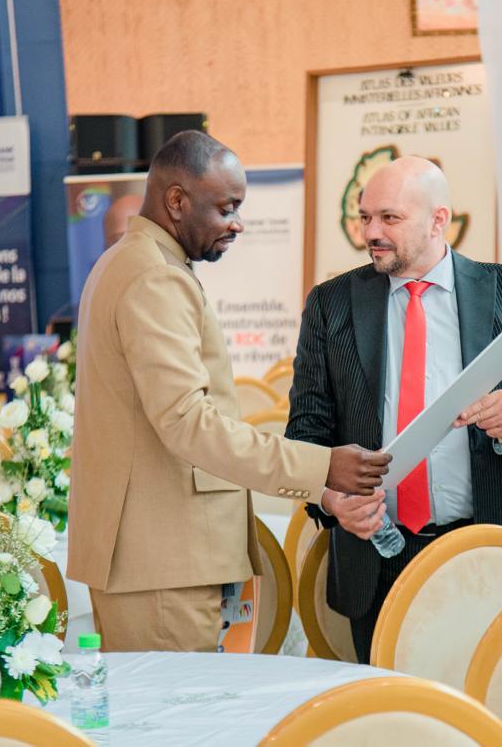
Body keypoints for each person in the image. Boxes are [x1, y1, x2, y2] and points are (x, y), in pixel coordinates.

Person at [68, 130, 389, 653]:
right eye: (226, 208)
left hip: (157, 560)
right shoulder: (153, 277)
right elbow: (188, 422)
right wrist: (321, 467)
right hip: (163, 565)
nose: (237, 223)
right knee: (177, 707)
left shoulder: (137, 261)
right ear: (177, 201)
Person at [287, 156, 502, 663]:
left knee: (488, 698)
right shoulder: (331, 304)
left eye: (390, 218)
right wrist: (332, 500)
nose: (372, 233)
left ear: (438, 220)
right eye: (366, 217)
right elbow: (305, 433)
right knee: (391, 704)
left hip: (487, 546)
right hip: (376, 554)